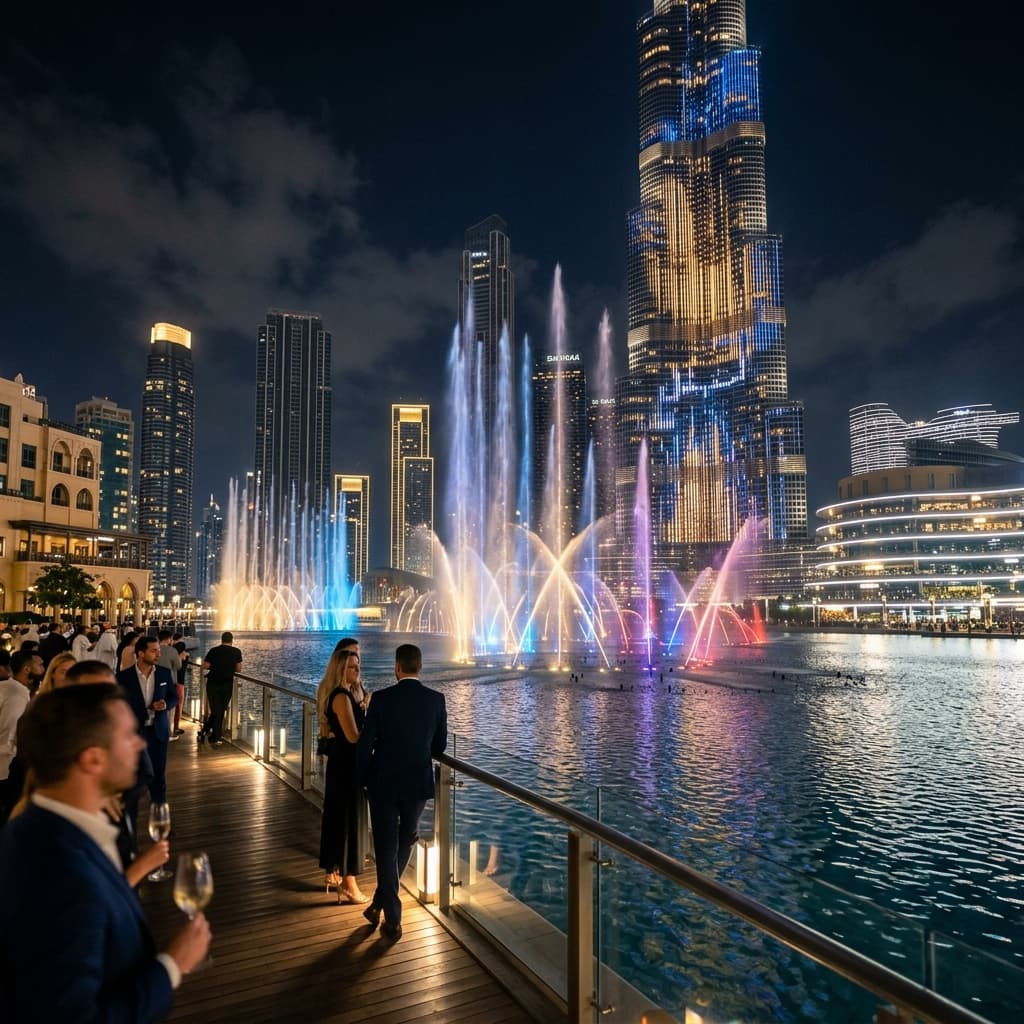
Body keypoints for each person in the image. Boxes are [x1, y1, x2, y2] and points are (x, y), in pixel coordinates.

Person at [0, 684, 211, 1020]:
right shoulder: (60, 871)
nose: (140, 743)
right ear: (93, 758)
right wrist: (172, 964)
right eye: (128, 735)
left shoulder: (42, 828)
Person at [357, 643, 447, 942]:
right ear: (419, 667)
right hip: (417, 784)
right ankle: (382, 904)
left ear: (397, 667)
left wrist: (363, 777)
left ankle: (390, 915)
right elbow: (439, 747)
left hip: (382, 783)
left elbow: (365, 743)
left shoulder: (381, 700)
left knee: (385, 846)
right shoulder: (436, 700)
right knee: (407, 837)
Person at [317, 646, 370, 904]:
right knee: (349, 820)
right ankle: (349, 883)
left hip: (343, 763)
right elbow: (353, 736)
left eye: (358, 666)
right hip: (347, 766)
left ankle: (335, 872)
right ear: (340, 669)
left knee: (342, 818)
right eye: (351, 666)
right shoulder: (340, 696)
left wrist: (362, 705)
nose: (357, 670)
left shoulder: (346, 695)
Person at [117, 635, 177, 804]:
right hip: (134, 733)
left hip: (158, 731)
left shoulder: (164, 674)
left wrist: (165, 704)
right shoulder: (123, 678)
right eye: (154, 651)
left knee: (159, 777)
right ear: (141, 653)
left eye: (158, 650)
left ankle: (160, 816)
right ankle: (130, 818)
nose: (158, 654)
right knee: (133, 776)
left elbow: (173, 696)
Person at [0, 651, 36, 824]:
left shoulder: (13, 689)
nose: (43, 668)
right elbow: (9, 731)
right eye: (40, 665)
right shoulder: (16, 694)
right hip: (6, 767)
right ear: (27, 669)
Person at [199, 632, 242, 746]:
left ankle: (206, 731)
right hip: (227, 684)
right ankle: (215, 737)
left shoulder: (213, 650)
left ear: (221, 640)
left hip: (213, 683)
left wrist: (215, 666)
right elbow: (238, 669)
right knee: (220, 710)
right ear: (231, 640)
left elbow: (206, 665)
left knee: (216, 711)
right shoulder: (236, 652)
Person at [157, 630, 185, 740]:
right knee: (168, 707)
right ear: (169, 639)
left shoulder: (155, 649)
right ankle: (167, 733)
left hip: (154, 680)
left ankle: (157, 730)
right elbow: (178, 666)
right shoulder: (172, 650)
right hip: (169, 682)